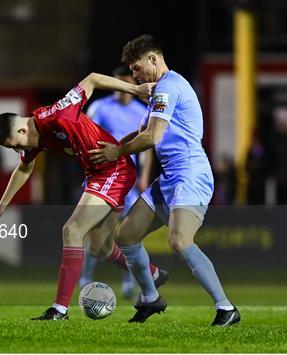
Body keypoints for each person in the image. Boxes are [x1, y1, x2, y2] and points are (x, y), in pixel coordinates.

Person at [89, 34, 240, 326]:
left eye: (136, 68)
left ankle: (226, 308)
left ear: (153, 59)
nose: (134, 75)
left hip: (191, 174)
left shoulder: (168, 88)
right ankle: (150, 298)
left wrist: (116, 152)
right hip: (170, 176)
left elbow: (153, 137)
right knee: (125, 236)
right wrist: (113, 148)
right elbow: (143, 130)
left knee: (180, 240)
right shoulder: (162, 89)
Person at [0, 72, 164, 320]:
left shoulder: (59, 114)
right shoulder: (36, 139)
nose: (19, 149)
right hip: (97, 175)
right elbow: (24, 168)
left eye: (15, 144)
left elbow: (91, 79)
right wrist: (2, 206)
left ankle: (60, 309)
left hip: (114, 170)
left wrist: (135, 90)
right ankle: (153, 274)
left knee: (71, 230)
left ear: (21, 129)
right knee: (99, 249)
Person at [79, 66, 166, 298]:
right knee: (91, 228)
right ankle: (86, 276)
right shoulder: (100, 108)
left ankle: (130, 282)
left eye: (126, 86)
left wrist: (144, 176)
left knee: (128, 233)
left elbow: (146, 147)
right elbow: (86, 136)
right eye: (118, 85)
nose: (122, 92)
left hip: (128, 177)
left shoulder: (142, 111)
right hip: (103, 175)